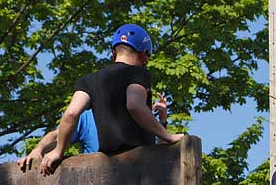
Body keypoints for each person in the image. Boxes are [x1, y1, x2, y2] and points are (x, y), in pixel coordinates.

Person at [40, 24, 182, 175]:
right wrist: (169, 136)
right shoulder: (139, 74)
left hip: (108, 168)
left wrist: (58, 151)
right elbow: (134, 105)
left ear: (113, 52)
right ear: (143, 54)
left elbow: (71, 114)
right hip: (140, 165)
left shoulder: (88, 80)